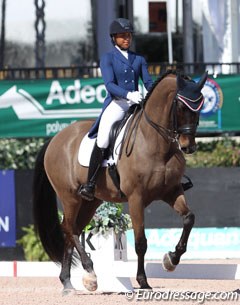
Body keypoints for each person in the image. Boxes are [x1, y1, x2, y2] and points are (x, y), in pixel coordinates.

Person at [78, 18, 153, 201]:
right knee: (103, 139)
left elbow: (149, 82)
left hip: (138, 103)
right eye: (122, 36)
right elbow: (110, 85)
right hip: (118, 104)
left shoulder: (139, 59)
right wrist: (129, 95)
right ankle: (91, 183)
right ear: (114, 38)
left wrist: (153, 95)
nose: (127, 39)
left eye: (128, 36)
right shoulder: (108, 58)